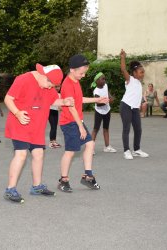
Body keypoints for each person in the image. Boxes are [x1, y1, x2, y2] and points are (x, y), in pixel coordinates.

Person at [3, 63, 74, 203]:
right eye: (50, 85)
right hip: (21, 122)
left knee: (38, 154)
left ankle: (36, 187)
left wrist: (64, 101)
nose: (50, 88)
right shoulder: (23, 79)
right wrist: (17, 113)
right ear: (44, 76)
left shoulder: (48, 85)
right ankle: (10, 189)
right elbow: (8, 98)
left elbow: (54, 99)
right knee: (21, 154)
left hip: (37, 126)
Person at [58, 54, 109, 193]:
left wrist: (97, 100)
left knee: (90, 144)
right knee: (70, 151)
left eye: (85, 73)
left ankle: (87, 175)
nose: (84, 76)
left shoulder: (75, 81)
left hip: (76, 120)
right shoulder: (67, 84)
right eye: (82, 73)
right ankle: (63, 180)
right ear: (72, 70)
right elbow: (71, 106)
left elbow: (79, 99)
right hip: (69, 122)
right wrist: (80, 127)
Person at [119, 49, 149, 160]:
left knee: (138, 129)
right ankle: (126, 151)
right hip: (126, 107)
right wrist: (123, 58)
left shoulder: (139, 83)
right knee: (126, 129)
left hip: (135, 109)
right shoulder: (130, 79)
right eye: (141, 72)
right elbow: (123, 69)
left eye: (143, 72)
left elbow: (136, 96)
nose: (143, 74)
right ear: (134, 73)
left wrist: (141, 104)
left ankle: (136, 150)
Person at [90, 72, 117, 153]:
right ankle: (90, 149)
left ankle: (107, 147)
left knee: (106, 128)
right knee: (96, 129)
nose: (104, 80)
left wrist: (111, 97)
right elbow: (98, 104)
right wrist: (107, 101)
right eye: (103, 79)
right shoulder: (96, 91)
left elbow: (107, 93)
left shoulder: (105, 85)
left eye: (105, 78)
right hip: (99, 111)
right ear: (97, 81)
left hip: (107, 110)